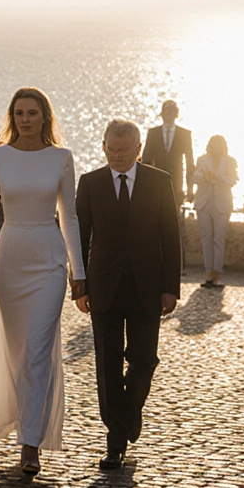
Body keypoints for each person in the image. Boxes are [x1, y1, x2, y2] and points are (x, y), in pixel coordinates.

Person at [0, 87, 84, 475]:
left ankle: (29, 444)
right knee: (19, 353)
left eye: (32, 112)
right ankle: (22, 420)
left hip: (49, 261)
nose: (25, 119)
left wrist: (77, 270)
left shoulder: (62, 158)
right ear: (11, 117)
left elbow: (69, 218)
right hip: (10, 259)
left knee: (37, 352)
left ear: (44, 116)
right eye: (19, 113)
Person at [73, 119, 179, 470]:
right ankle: (115, 441)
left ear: (138, 150)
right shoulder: (89, 184)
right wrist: (80, 286)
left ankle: (130, 409)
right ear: (103, 147)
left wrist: (170, 287)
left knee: (145, 359)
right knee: (107, 364)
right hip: (103, 287)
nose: (117, 156)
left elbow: (171, 238)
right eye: (111, 149)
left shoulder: (159, 181)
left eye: (124, 151)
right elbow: (79, 237)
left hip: (148, 288)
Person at [191, 135, 238, 289]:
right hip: (204, 202)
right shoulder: (202, 160)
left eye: (219, 144)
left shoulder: (230, 161)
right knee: (206, 238)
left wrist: (218, 178)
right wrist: (203, 175)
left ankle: (217, 272)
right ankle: (208, 272)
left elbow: (233, 180)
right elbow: (195, 178)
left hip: (222, 203)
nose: (216, 147)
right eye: (213, 143)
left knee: (219, 238)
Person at [141, 100, 194, 211]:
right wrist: (144, 184)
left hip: (177, 182)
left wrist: (190, 188)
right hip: (156, 180)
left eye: (171, 111)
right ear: (162, 113)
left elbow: (190, 162)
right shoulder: (153, 133)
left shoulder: (184, 134)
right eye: (166, 110)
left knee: (174, 214)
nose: (169, 113)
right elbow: (146, 159)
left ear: (176, 114)